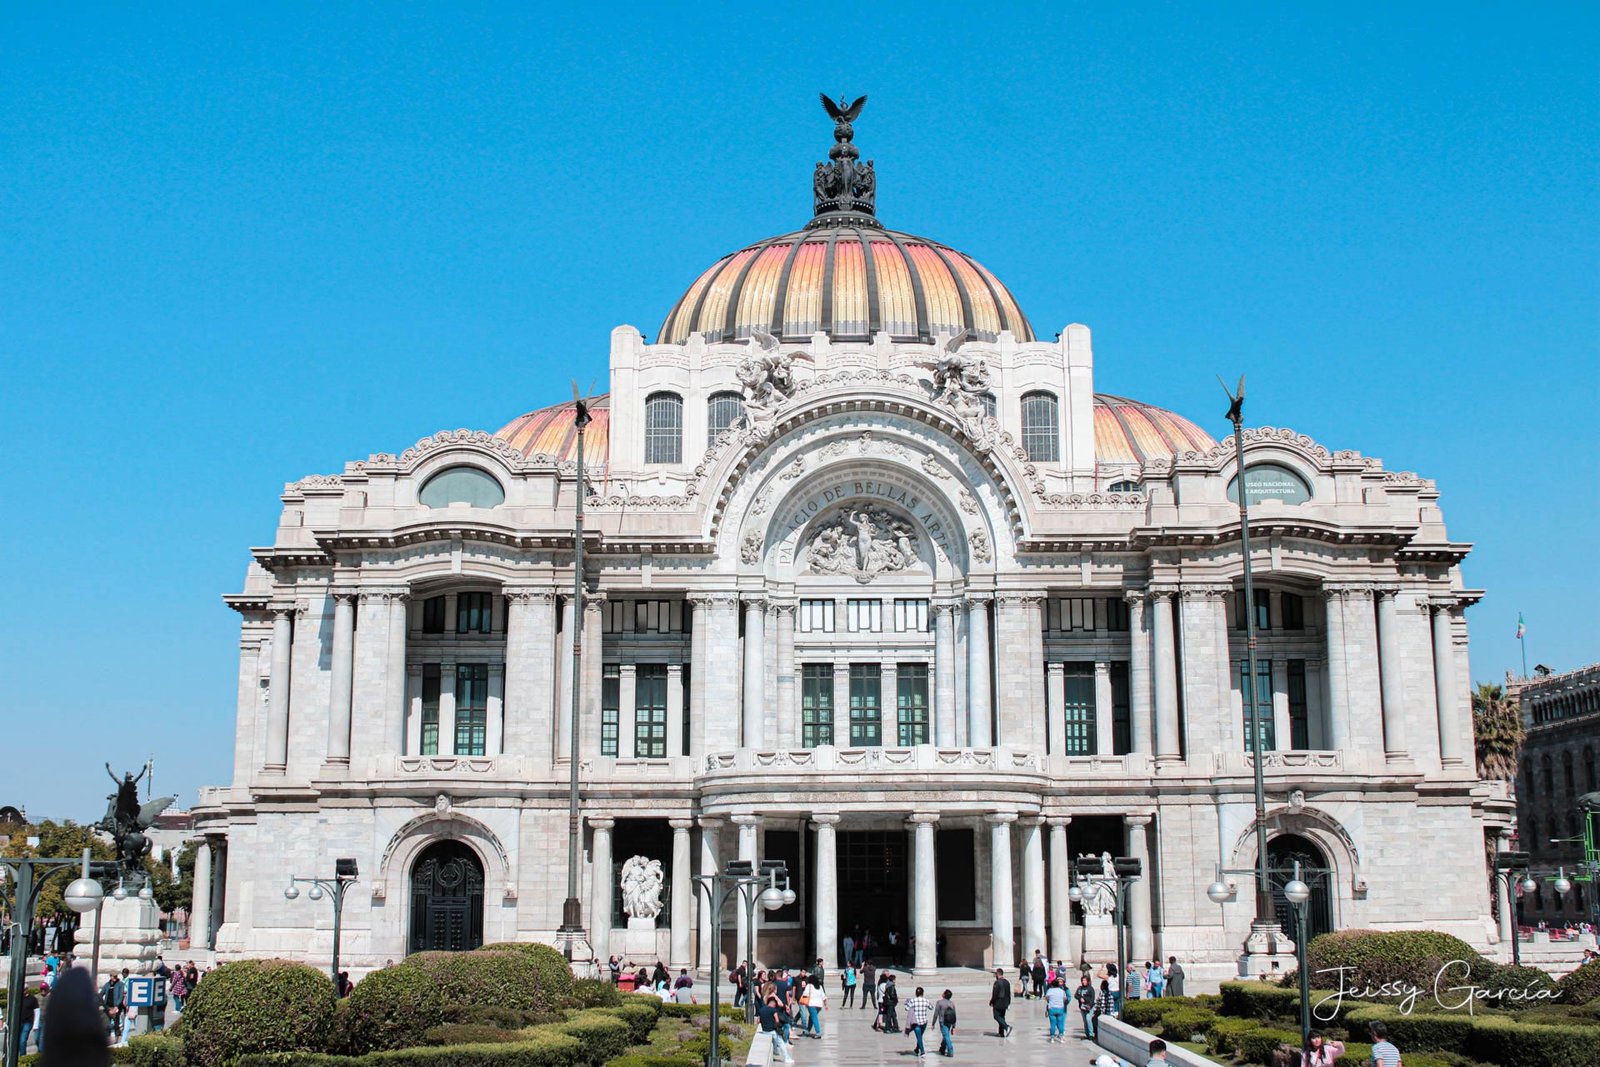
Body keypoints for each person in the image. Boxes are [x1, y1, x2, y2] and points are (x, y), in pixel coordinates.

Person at [756, 992, 795, 1064]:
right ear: (773, 1003)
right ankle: (787, 1058)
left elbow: (758, 1021)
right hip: (772, 1031)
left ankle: (775, 1051)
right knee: (781, 1043)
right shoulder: (773, 1010)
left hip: (764, 1031)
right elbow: (777, 1020)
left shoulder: (761, 1010)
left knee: (776, 1041)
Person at [904, 985, 933, 1057]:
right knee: (920, 1036)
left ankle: (922, 1052)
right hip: (924, 1022)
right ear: (923, 993)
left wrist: (907, 1003)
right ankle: (917, 1049)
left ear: (916, 993)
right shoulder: (926, 1000)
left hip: (916, 1022)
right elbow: (931, 1007)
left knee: (919, 1037)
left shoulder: (913, 1000)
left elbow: (906, 1008)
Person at [1044, 978, 1070, 1043]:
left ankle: (1052, 1038)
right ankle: (1061, 1038)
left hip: (1052, 1009)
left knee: (1053, 1024)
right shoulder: (1062, 991)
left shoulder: (1049, 990)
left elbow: (1046, 998)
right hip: (1060, 1008)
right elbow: (1064, 999)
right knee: (1060, 1023)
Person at [989, 965, 1012, 1037]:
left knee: (996, 1016)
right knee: (1002, 1017)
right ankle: (1001, 1033)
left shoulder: (997, 982)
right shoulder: (1007, 982)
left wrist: (992, 1001)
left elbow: (995, 994)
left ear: (997, 974)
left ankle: (1007, 1027)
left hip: (999, 1002)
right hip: (1005, 1002)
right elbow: (1009, 993)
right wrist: (1008, 1002)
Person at [933, 988, 956, 1057]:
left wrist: (933, 1023)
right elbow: (954, 1015)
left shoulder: (939, 1002)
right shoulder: (952, 1003)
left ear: (944, 994)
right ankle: (942, 1048)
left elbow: (936, 1014)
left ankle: (950, 1051)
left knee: (946, 1036)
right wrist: (954, 1026)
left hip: (943, 1021)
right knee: (945, 1035)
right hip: (950, 1022)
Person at [17, 984, 40, 1053]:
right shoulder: (18, 998)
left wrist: (35, 1024)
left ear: (27, 990)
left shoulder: (32, 999)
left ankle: (22, 1057)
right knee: (17, 1041)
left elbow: (37, 1011)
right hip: (19, 1022)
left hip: (28, 1022)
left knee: (23, 1040)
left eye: (24, 989)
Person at [1075, 974, 1097, 1038]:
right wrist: (1080, 998)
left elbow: (1092, 998)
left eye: (1085, 980)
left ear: (1087, 981)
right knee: (1085, 1021)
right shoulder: (1080, 988)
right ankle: (1087, 1034)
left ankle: (1091, 1034)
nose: (1083, 982)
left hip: (1089, 1007)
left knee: (1088, 1019)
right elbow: (1076, 995)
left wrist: (1089, 1006)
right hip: (1082, 1007)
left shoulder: (1090, 988)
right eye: (1082, 980)